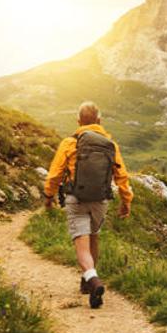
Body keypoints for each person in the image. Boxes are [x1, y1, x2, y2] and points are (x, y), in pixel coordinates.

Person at [43, 101, 133, 309]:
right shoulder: (110, 144)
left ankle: (93, 280)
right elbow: (122, 176)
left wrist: (48, 197)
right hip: (100, 201)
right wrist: (126, 202)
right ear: (99, 121)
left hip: (76, 200)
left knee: (81, 246)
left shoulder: (69, 143)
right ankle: (87, 283)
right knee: (94, 238)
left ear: (78, 121)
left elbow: (55, 174)